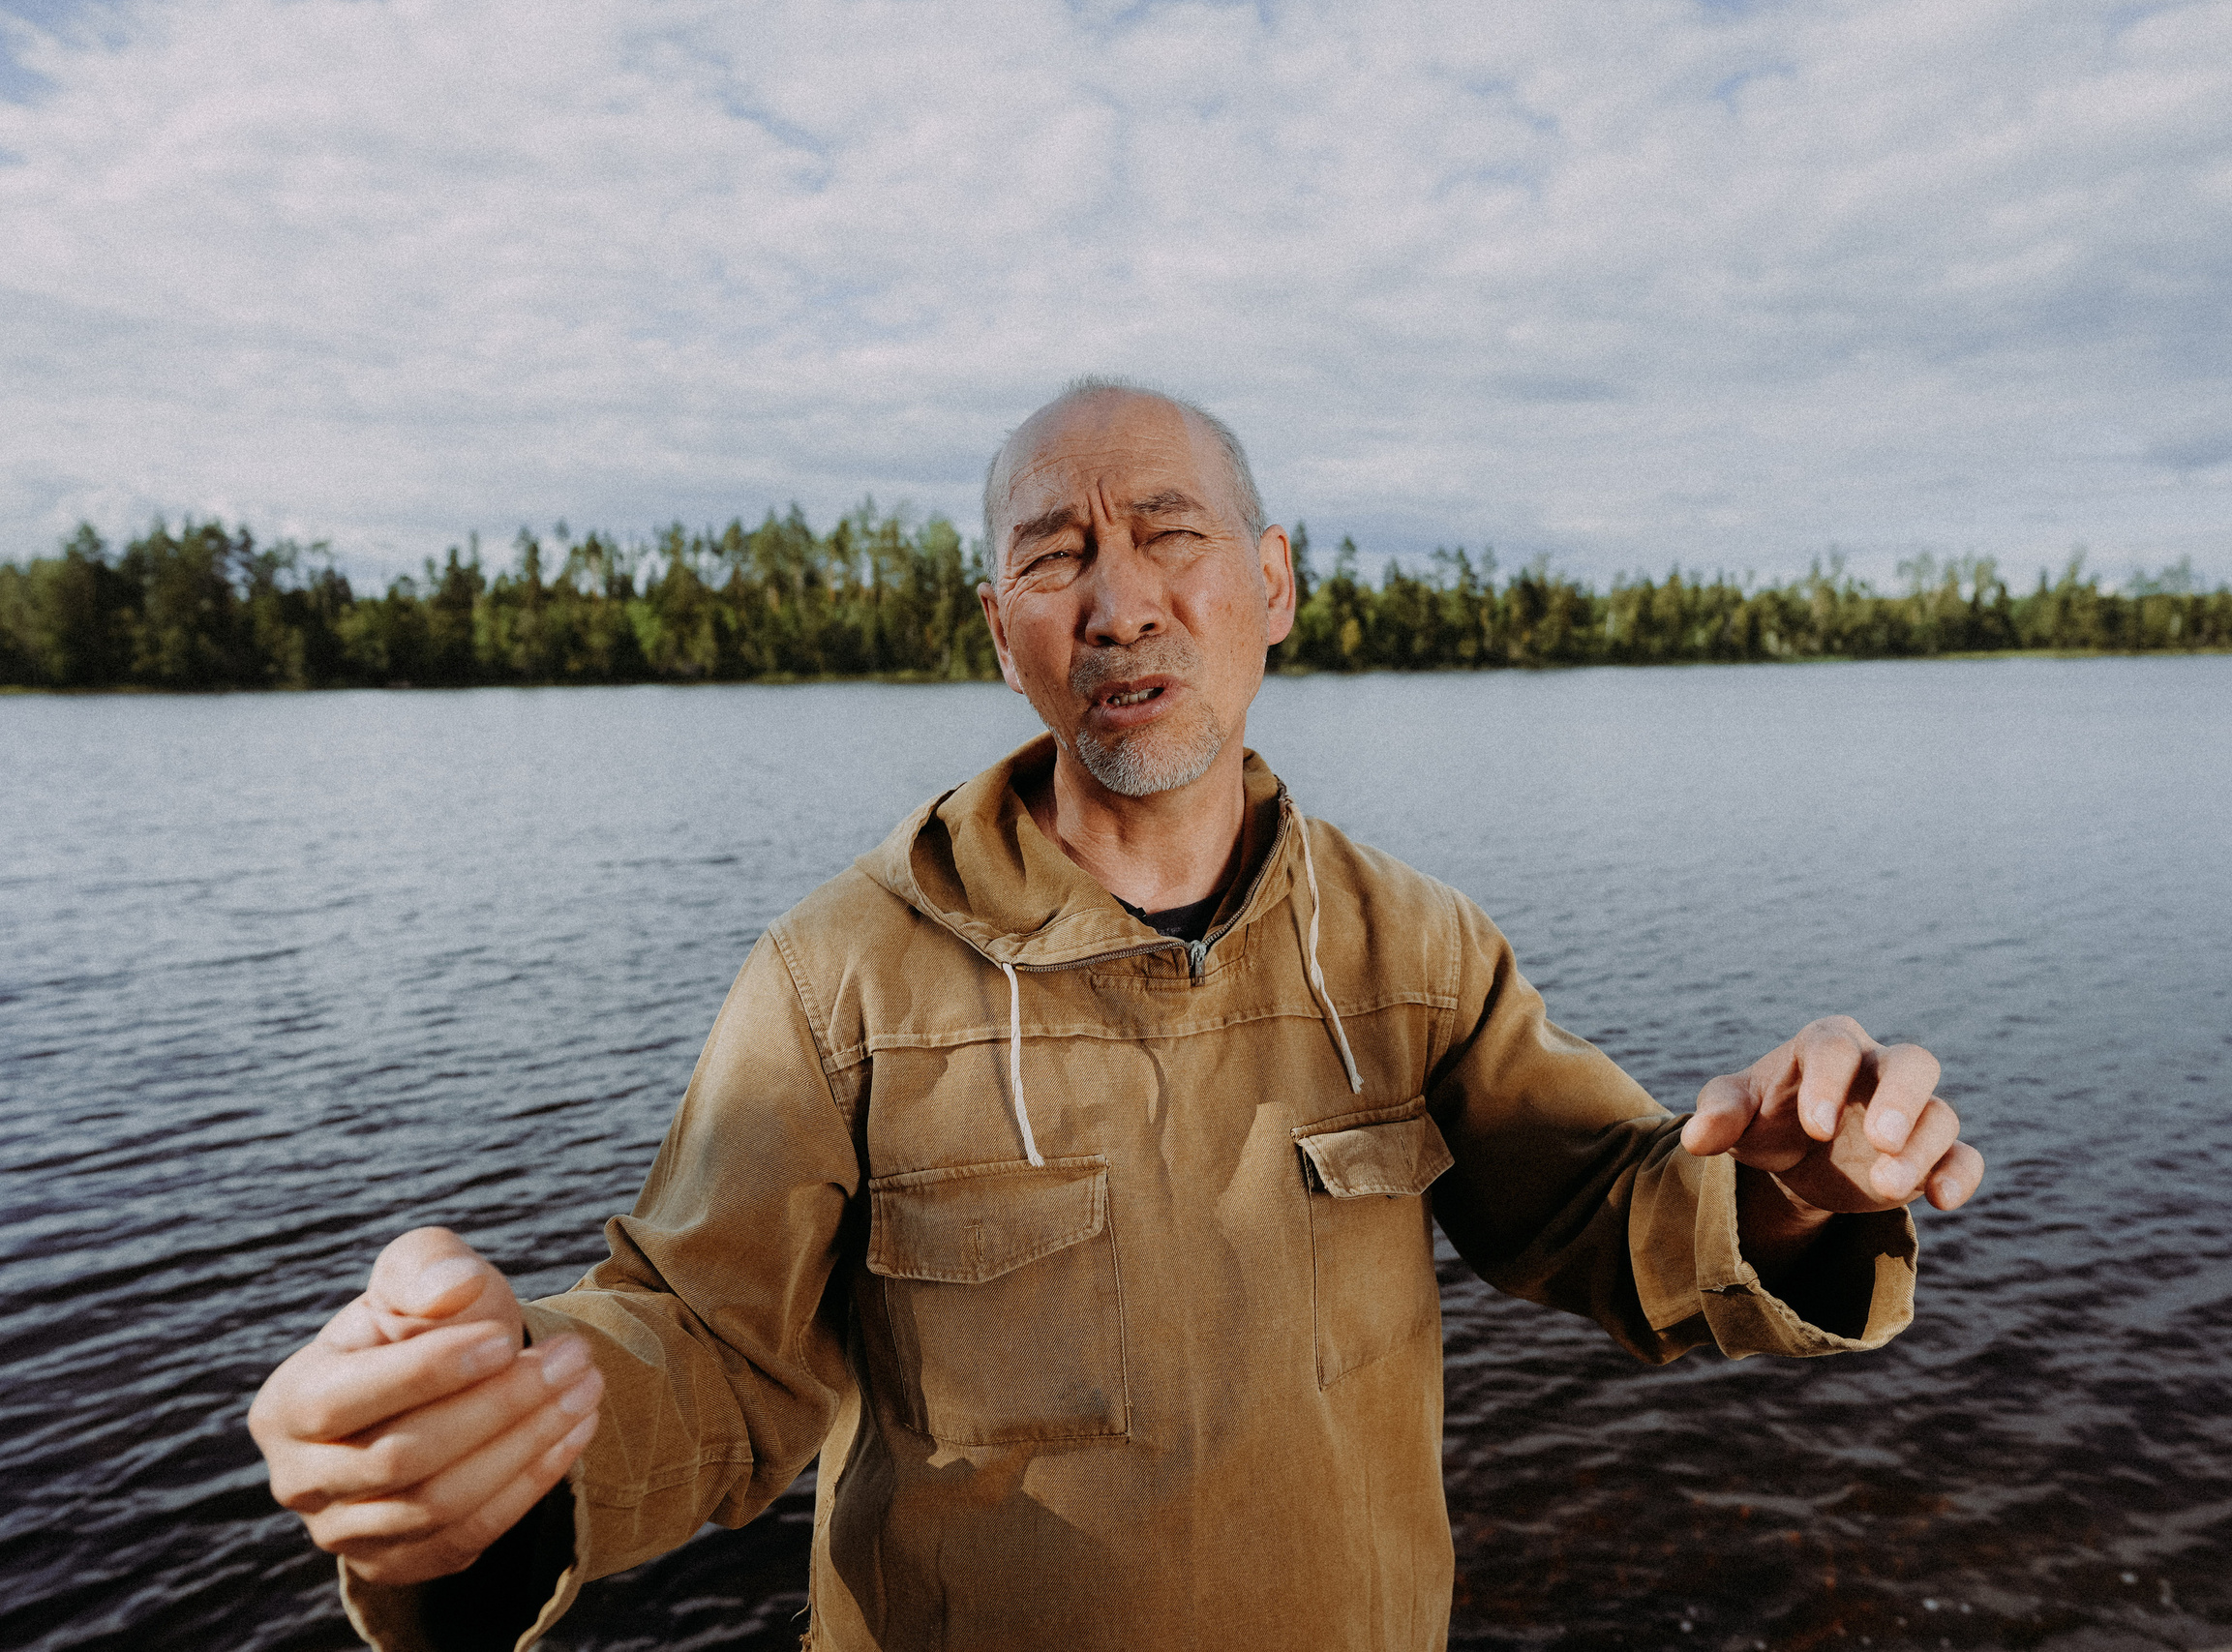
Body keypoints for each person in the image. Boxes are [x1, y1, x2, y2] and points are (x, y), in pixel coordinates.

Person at [249, 378, 1985, 1652]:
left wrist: (1794, 1193)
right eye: (1057, 554)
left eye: (1172, 535)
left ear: (1275, 583)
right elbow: (704, 1351)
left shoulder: (1419, 952)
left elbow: (1616, 1217)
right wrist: (502, 1435)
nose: (1123, 595)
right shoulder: (838, 975)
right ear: (1000, 626)